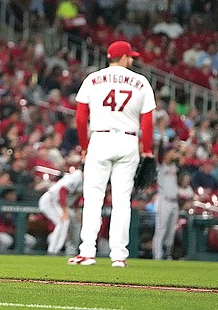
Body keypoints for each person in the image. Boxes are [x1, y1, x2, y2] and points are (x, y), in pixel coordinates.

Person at [69, 40, 156, 267]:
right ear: (124, 57)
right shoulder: (141, 82)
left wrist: (85, 145)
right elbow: (148, 122)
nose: (132, 59)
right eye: (130, 56)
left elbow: (80, 118)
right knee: (122, 201)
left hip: (100, 138)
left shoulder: (93, 79)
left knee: (93, 198)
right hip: (128, 140)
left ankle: (87, 252)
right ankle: (119, 255)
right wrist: (147, 150)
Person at [38, 158, 83, 255]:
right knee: (63, 221)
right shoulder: (78, 175)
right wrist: (64, 211)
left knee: (76, 220)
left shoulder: (88, 179)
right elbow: (62, 190)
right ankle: (53, 251)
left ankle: (71, 251)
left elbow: (77, 194)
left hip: (59, 203)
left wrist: (76, 211)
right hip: (50, 200)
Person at [152, 145, 182, 260]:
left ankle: (168, 255)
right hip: (163, 200)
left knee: (171, 232)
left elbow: (181, 156)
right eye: (172, 152)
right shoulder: (160, 165)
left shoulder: (174, 165)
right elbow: (158, 153)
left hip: (174, 202)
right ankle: (157, 256)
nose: (174, 154)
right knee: (161, 230)